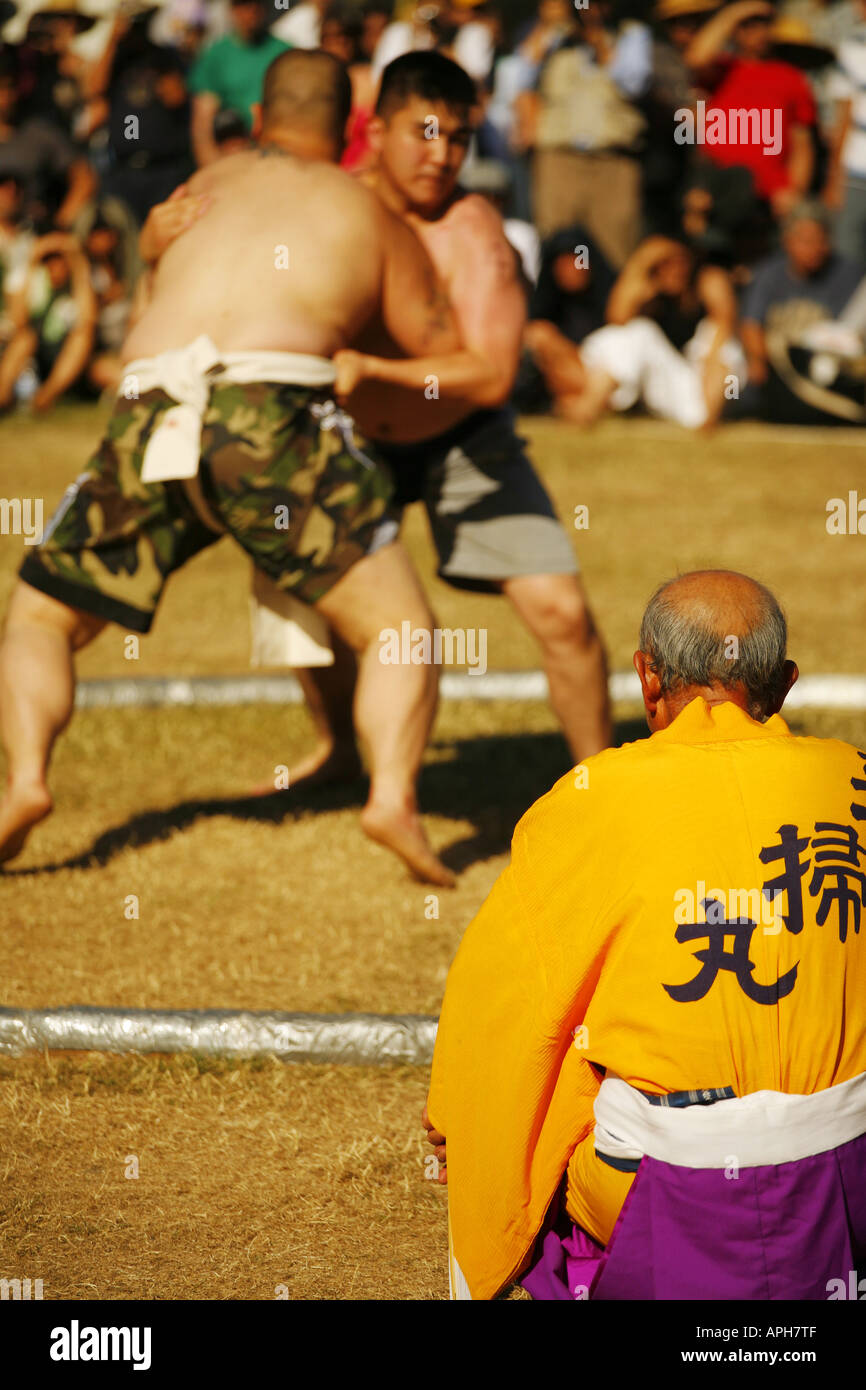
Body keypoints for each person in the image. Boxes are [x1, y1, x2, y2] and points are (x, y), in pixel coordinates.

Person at [0, 50, 465, 888]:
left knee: (39, 618)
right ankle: (391, 796)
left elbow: (144, 315)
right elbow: (434, 351)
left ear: (255, 122)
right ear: (351, 128)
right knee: (400, 630)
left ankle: (27, 779)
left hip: (151, 409)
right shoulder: (362, 207)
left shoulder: (195, 191)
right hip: (267, 411)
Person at [425, 569, 866, 1300]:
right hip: (847, 1161)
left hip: (664, 1182)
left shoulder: (589, 799)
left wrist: (458, 1118)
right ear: (783, 685)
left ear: (646, 677)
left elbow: (501, 1010)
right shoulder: (851, 778)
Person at [247, 51, 611, 774]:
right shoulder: (329, 209)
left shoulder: (474, 232)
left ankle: (601, 780)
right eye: (426, 133)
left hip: (461, 438)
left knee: (562, 614)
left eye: (460, 139)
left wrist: (374, 368)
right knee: (302, 599)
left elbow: (491, 375)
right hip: (350, 441)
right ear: (376, 131)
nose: (443, 157)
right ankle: (344, 753)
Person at [686, 0, 817, 222]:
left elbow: (802, 144)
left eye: (763, 24)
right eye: (748, 25)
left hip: (769, 197)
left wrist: (795, 193)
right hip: (717, 192)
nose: (757, 32)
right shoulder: (721, 69)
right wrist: (735, 13)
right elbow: (695, 58)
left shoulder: (791, 77)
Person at [740, 199, 866, 416]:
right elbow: (751, 325)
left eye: (821, 240)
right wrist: (757, 360)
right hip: (780, 372)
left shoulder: (850, 274)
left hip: (832, 371)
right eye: (806, 241)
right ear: (787, 241)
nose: (815, 249)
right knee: (736, 387)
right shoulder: (768, 275)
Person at [188, 0, 288, 166]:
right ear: (232, 9)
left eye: (256, 4)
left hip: (276, 156)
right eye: (242, 4)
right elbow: (202, 125)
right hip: (232, 158)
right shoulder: (216, 55)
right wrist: (212, 168)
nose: (250, 10)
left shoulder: (285, 52)